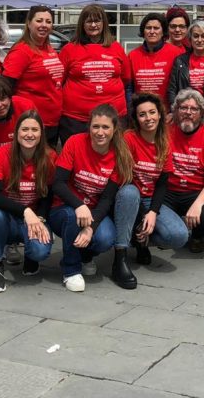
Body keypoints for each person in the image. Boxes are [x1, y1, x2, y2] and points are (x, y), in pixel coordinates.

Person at [49, 104, 133, 292]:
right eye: (96, 126)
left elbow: (106, 199)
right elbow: (58, 183)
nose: (100, 132)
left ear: (114, 129)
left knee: (105, 238)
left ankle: (85, 255)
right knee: (72, 216)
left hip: (94, 211)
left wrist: (90, 229)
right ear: (89, 127)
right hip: (65, 207)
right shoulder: (75, 142)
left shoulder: (120, 155)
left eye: (105, 127)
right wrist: (78, 205)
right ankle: (70, 270)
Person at [113, 93, 190, 287]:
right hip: (127, 197)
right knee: (130, 193)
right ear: (136, 119)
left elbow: (162, 183)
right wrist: (141, 217)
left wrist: (153, 213)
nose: (148, 118)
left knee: (179, 235)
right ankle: (120, 257)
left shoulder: (165, 141)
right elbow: (121, 180)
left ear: (160, 114)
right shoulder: (128, 139)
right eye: (142, 114)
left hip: (149, 199)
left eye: (152, 112)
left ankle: (142, 239)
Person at [0, 110, 56, 292]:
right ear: (16, 133)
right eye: (24, 129)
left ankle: (31, 256)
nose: (29, 134)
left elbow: (48, 196)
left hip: (33, 218)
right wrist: (25, 211)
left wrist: (39, 218)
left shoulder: (50, 157)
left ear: (41, 134)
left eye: (34, 129)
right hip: (7, 217)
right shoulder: (1, 153)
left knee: (40, 251)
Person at [58, 5, 131, 144]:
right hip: (76, 120)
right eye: (88, 21)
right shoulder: (69, 50)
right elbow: (59, 81)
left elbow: (126, 78)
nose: (93, 25)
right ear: (82, 24)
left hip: (113, 117)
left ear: (104, 23)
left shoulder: (116, 48)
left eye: (97, 21)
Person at [164, 88, 204, 253]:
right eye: (183, 108)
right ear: (175, 111)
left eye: (194, 109)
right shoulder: (166, 129)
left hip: (197, 191)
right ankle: (170, 230)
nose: (188, 112)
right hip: (169, 191)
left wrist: (198, 204)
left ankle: (198, 234)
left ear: (202, 113)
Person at [2, 5, 64, 148]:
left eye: (48, 22)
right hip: (31, 123)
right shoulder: (21, 51)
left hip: (52, 122)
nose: (44, 25)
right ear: (29, 23)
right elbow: (5, 87)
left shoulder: (48, 48)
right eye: (39, 21)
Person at [166, 20, 204, 131]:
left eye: (203, 36)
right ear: (190, 39)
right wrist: (174, 110)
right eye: (195, 36)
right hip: (185, 113)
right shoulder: (180, 60)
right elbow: (172, 89)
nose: (199, 40)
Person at [127, 13, 183, 106]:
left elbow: (181, 87)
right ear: (143, 31)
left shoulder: (176, 53)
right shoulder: (132, 55)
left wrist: (174, 111)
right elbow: (129, 88)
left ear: (163, 32)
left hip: (169, 113)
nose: (152, 31)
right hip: (141, 113)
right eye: (148, 28)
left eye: (156, 28)